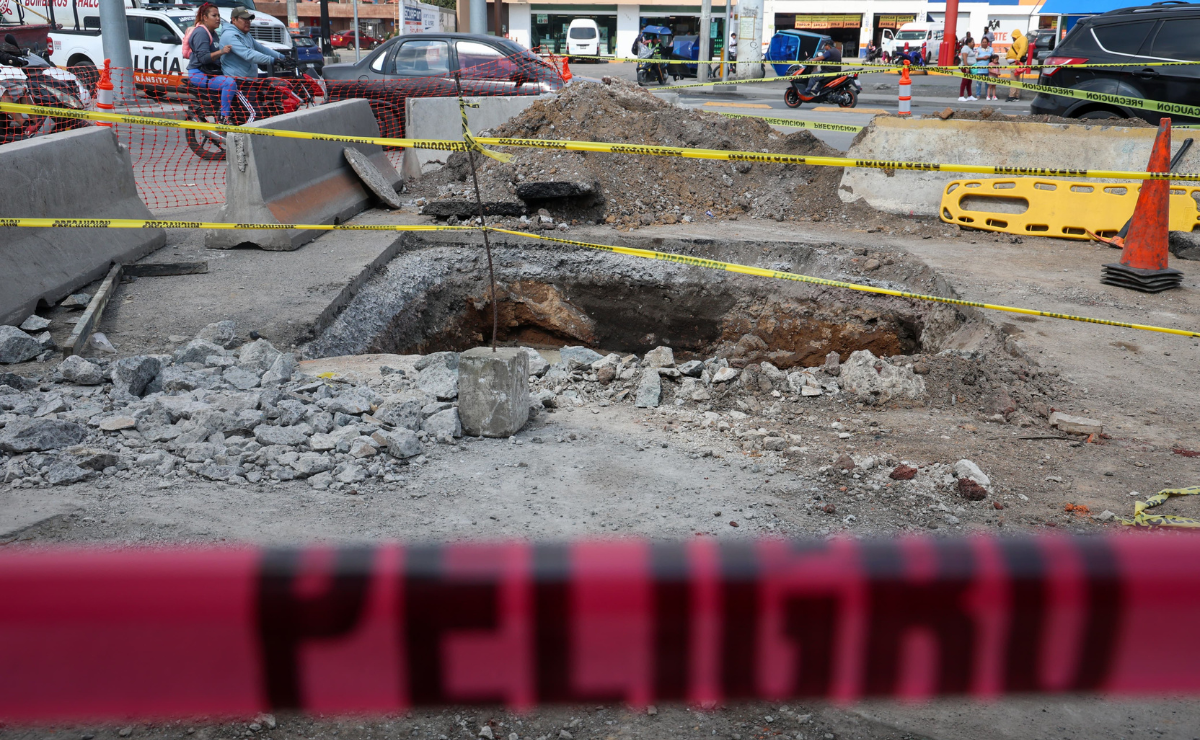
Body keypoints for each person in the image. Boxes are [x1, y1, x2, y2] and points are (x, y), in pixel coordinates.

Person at [185, 2, 235, 124]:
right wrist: (222, 52)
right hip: (199, 74)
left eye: (218, 15)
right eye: (214, 15)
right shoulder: (201, 33)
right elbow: (204, 58)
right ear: (205, 17)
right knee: (229, 83)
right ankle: (224, 118)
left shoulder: (212, 32)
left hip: (210, 72)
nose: (218, 18)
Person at [219, 6, 285, 81]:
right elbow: (248, 54)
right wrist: (273, 60)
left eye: (249, 19)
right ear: (233, 20)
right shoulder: (229, 35)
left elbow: (261, 49)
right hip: (236, 82)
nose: (247, 21)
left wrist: (282, 57)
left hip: (249, 81)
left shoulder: (246, 34)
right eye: (244, 19)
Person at [1005, 28, 1029, 102]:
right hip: (1015, 62)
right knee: (1016, 79)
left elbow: (1022, 49)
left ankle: (1012, 96)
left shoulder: (1022, 39)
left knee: (1014, 79)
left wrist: (1018, 58)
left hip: (1015, 63)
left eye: (1013, 36)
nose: (1012, 37)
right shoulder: (1020, 39)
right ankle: (1016, 96)